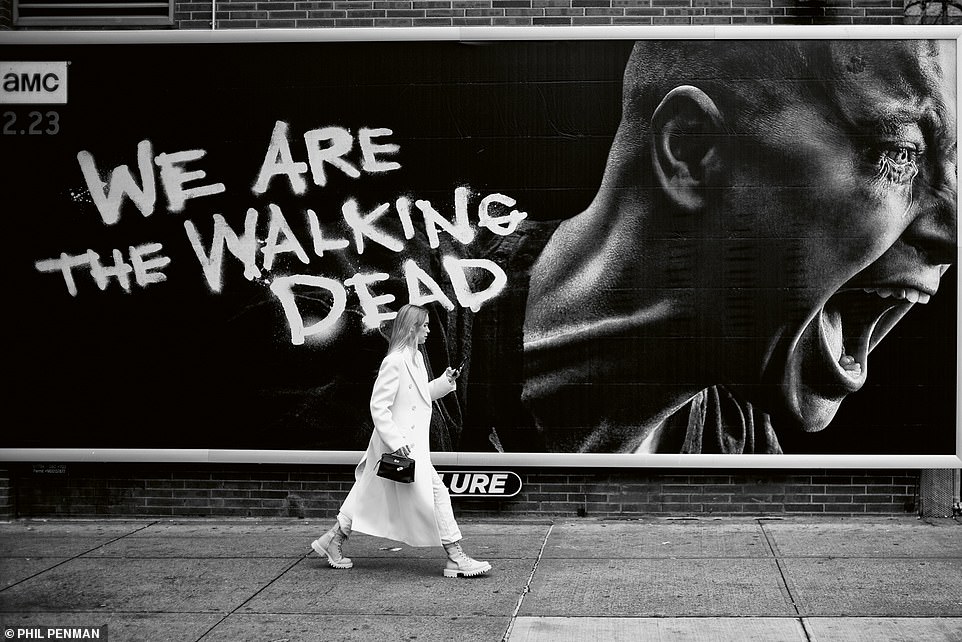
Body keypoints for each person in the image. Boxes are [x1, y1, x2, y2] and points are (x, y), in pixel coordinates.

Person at [514, 39, 957, 453]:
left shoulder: (737, 442)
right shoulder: (446, 338)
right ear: (691, 148)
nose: (953, 237)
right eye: (901, 153)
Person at [311, 303, 491, 578]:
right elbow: (378, 406)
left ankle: (332, 540)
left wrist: (444, 382)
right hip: (399, 449)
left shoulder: (415, 358)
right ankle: (455, 556)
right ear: (412, 328)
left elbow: (418, 398)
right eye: (425, 325)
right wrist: (396, 442)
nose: (429, 330)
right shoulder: (394, 360)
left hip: (405, 449)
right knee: (435, 492)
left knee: (369, 491)